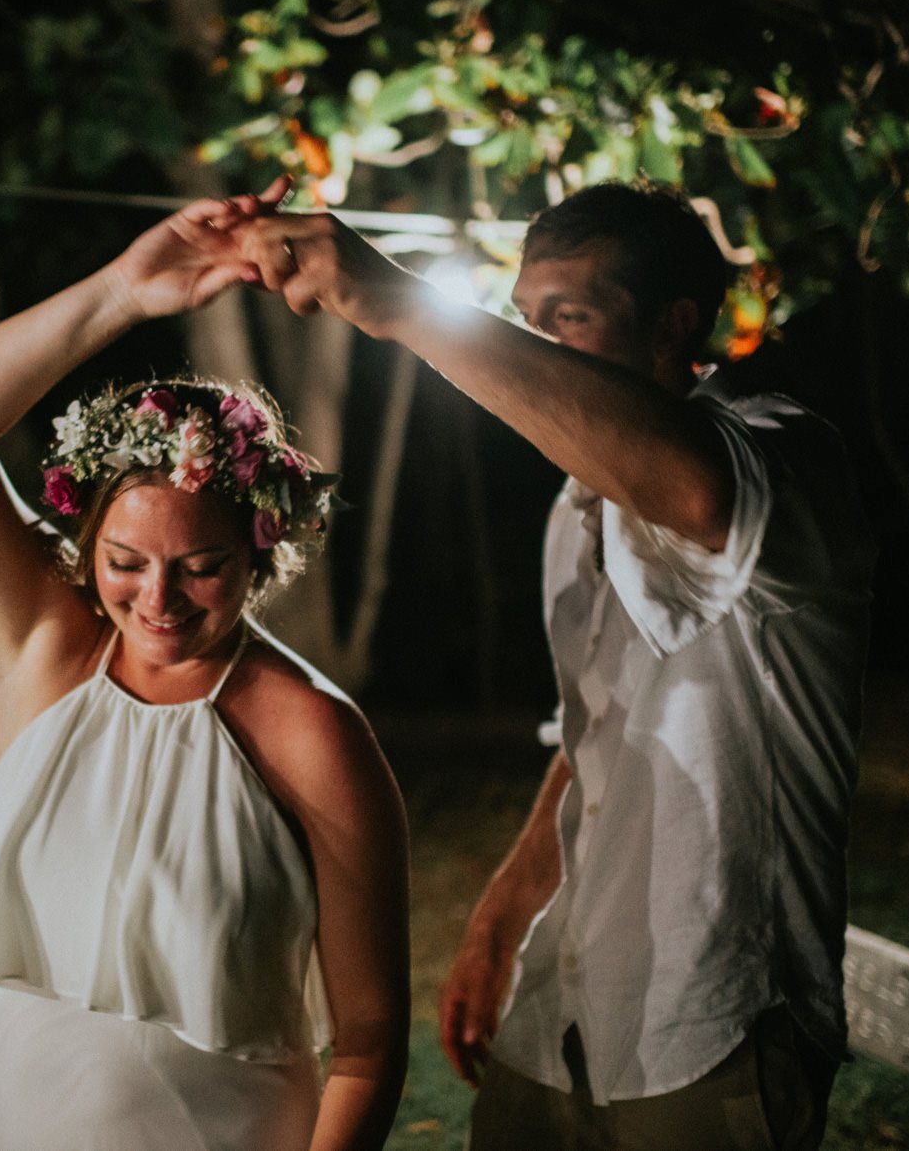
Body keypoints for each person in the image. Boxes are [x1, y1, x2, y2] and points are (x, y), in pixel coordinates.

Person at [228, 180, 873, 1150]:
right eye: (525, 321)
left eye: (566, 318)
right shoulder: (576, 511)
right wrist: (502, 914)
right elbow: (593, 733)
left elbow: (697, 492)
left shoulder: (784, 454)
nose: (533, 345)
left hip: (720, 1017)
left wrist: (395, 300)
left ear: (673, 326)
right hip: (569, 1007)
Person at [0, 185, 411, 1151]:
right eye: (125, 564)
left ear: (262, 552)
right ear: (86, 548)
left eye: (202, 567)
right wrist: (124, 292)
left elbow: (369, 1046)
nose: (158, 601)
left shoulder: (312, 729)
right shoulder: (46, 652)